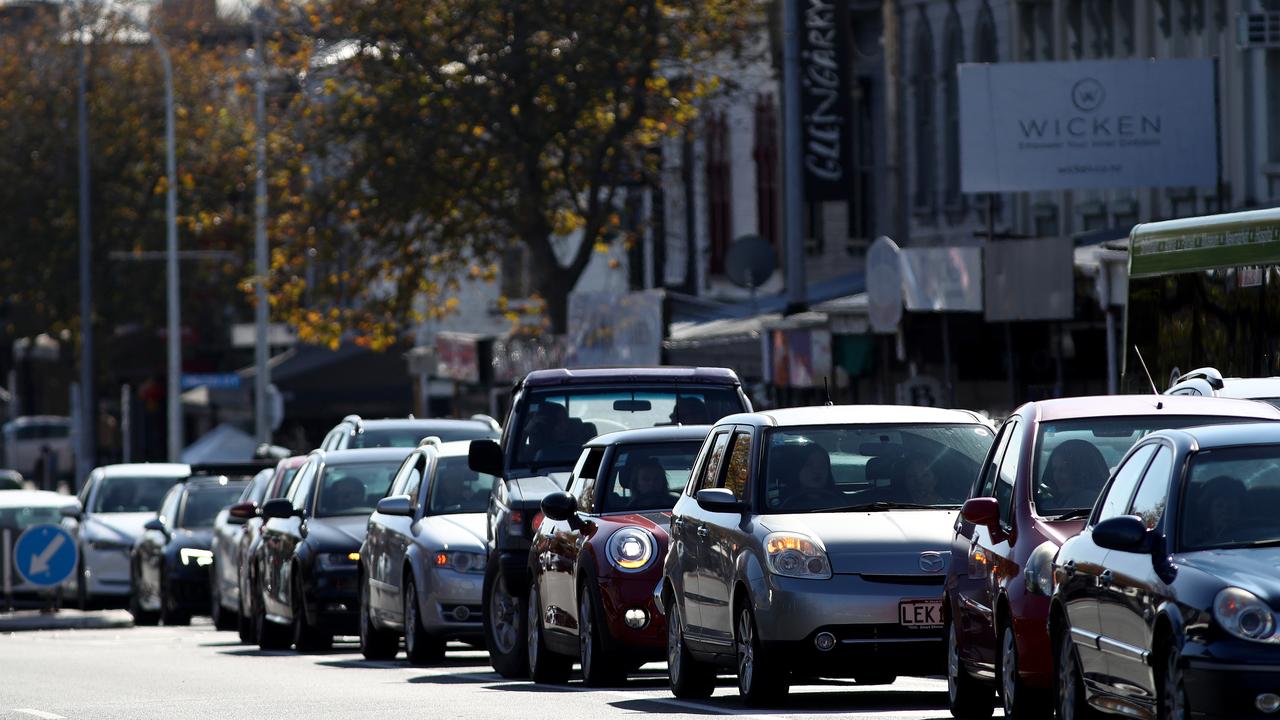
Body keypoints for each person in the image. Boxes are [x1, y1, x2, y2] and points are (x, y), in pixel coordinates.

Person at [1040, 439, 1110, 511]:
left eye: (1064, 470)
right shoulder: (1107, 496)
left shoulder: (1081, 500)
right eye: (1054, 469)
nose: (1057, 476)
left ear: (1080, 472)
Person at [1186, 475, 1247, 548]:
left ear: (1241, 509)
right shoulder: (1196, 543)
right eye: (1219, 506)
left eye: (1232, 506)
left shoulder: (1255, 534)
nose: (1226, 511)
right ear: (1208, 511)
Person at [780, 444, 844, 510]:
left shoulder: (840, 499)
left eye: (822, 465)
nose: (817, 470)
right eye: (809, 464)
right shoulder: (783, 502)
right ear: (798, 469)